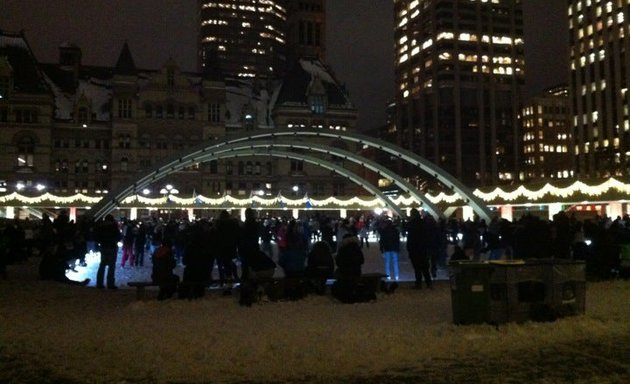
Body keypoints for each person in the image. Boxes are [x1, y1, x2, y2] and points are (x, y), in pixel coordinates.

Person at [406, 208, 432, 289]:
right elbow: (427, 236)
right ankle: (428, 283)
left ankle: (419, 283)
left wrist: (409, 248)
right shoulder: (423, 223)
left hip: (415, 249)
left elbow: (410, 237)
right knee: (425, 267)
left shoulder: (412, 224)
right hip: (423, 248)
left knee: (417, 268)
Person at [95, 214, 121, 289]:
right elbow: (118, 237)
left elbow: (97, 237)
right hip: (112, 247)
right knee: (111, 266)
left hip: (103, 247)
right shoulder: (114, 227)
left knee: (102, 265)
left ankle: (99, 283)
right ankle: (110, 283)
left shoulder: (101, 227)